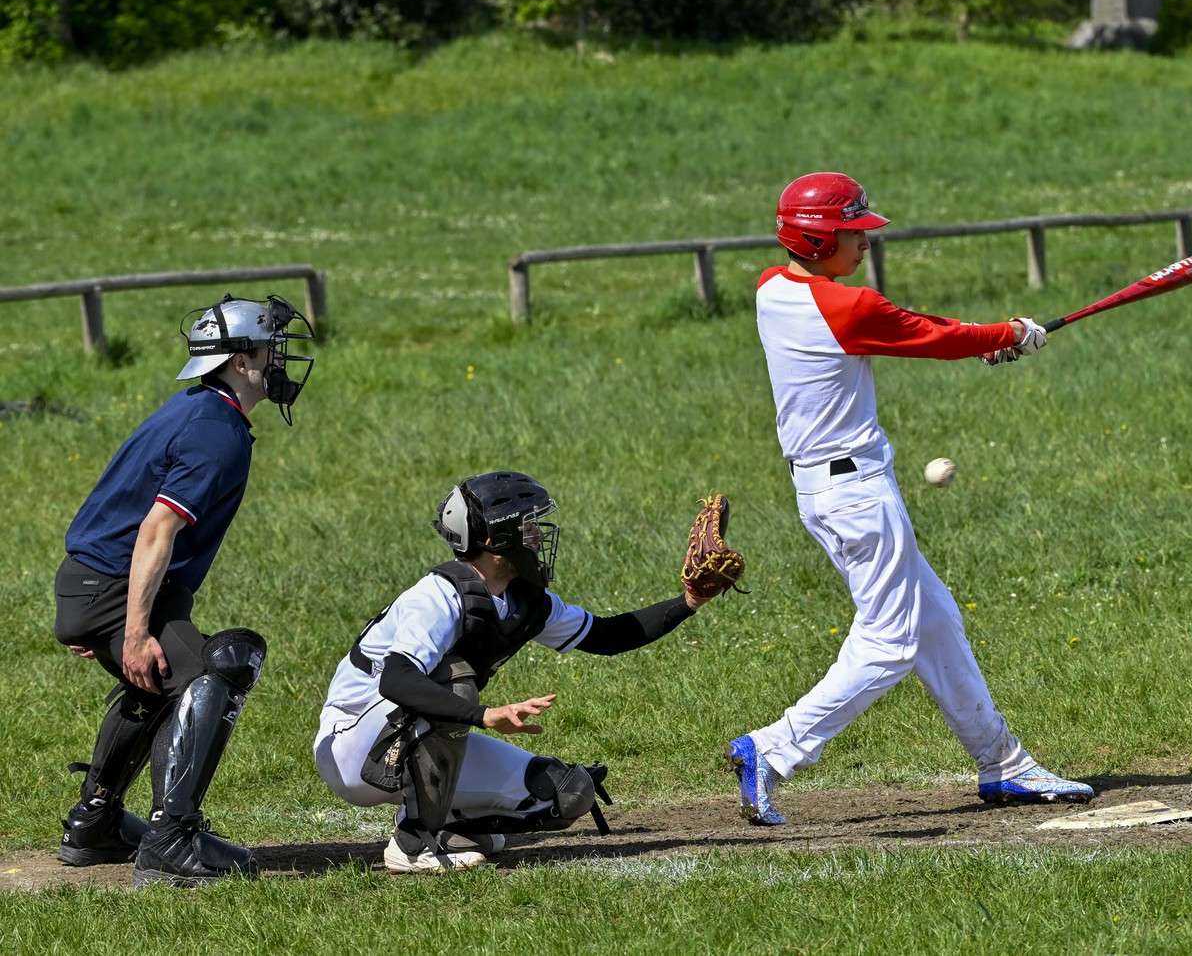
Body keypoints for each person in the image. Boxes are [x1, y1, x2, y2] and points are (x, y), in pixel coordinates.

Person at [727, 171, 1095, 826]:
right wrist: (1008, 334)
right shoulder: (848, 307)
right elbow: (929, 334)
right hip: (857, 496)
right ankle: (773, 748)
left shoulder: (772, 286)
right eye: (853, 233)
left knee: (936, 620)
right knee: (890, 641)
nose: (865, 243)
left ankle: (1003, 762)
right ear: (817, 239)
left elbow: (918, 329)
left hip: (828, 490)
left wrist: (989, 337)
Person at [314, 471, 725, 873]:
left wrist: (690, 600)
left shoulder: (523, 601)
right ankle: (413, 843)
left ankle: (447, 826)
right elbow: (398, 679)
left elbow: (607, 636)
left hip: (409, 733)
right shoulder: (438, 597)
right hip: (355, 745)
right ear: (495, 541)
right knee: (453, 679)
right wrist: (484, 715)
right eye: (529, 527)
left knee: (565, 793)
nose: (538, 537)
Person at [53, 293, 316, 885]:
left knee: (161, 678)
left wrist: (92, 608)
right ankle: (172, 839)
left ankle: (95, 824)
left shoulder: (198, 408)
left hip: (95, 584)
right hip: (110, 587)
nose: (279, 360)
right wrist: (130, 630)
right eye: (271, 349)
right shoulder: (215, 431)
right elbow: (156, 530)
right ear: (240, 361)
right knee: (216, 669)